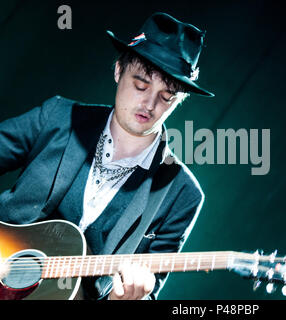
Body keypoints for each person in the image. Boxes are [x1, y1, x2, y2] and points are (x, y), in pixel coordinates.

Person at [0, 12, 214, 300]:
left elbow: (148, 291)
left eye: (167, 96)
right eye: (141, 85)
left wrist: (123, 298)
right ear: (118, 71)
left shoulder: (182, 194)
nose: (149, 104)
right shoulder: (59, 116)